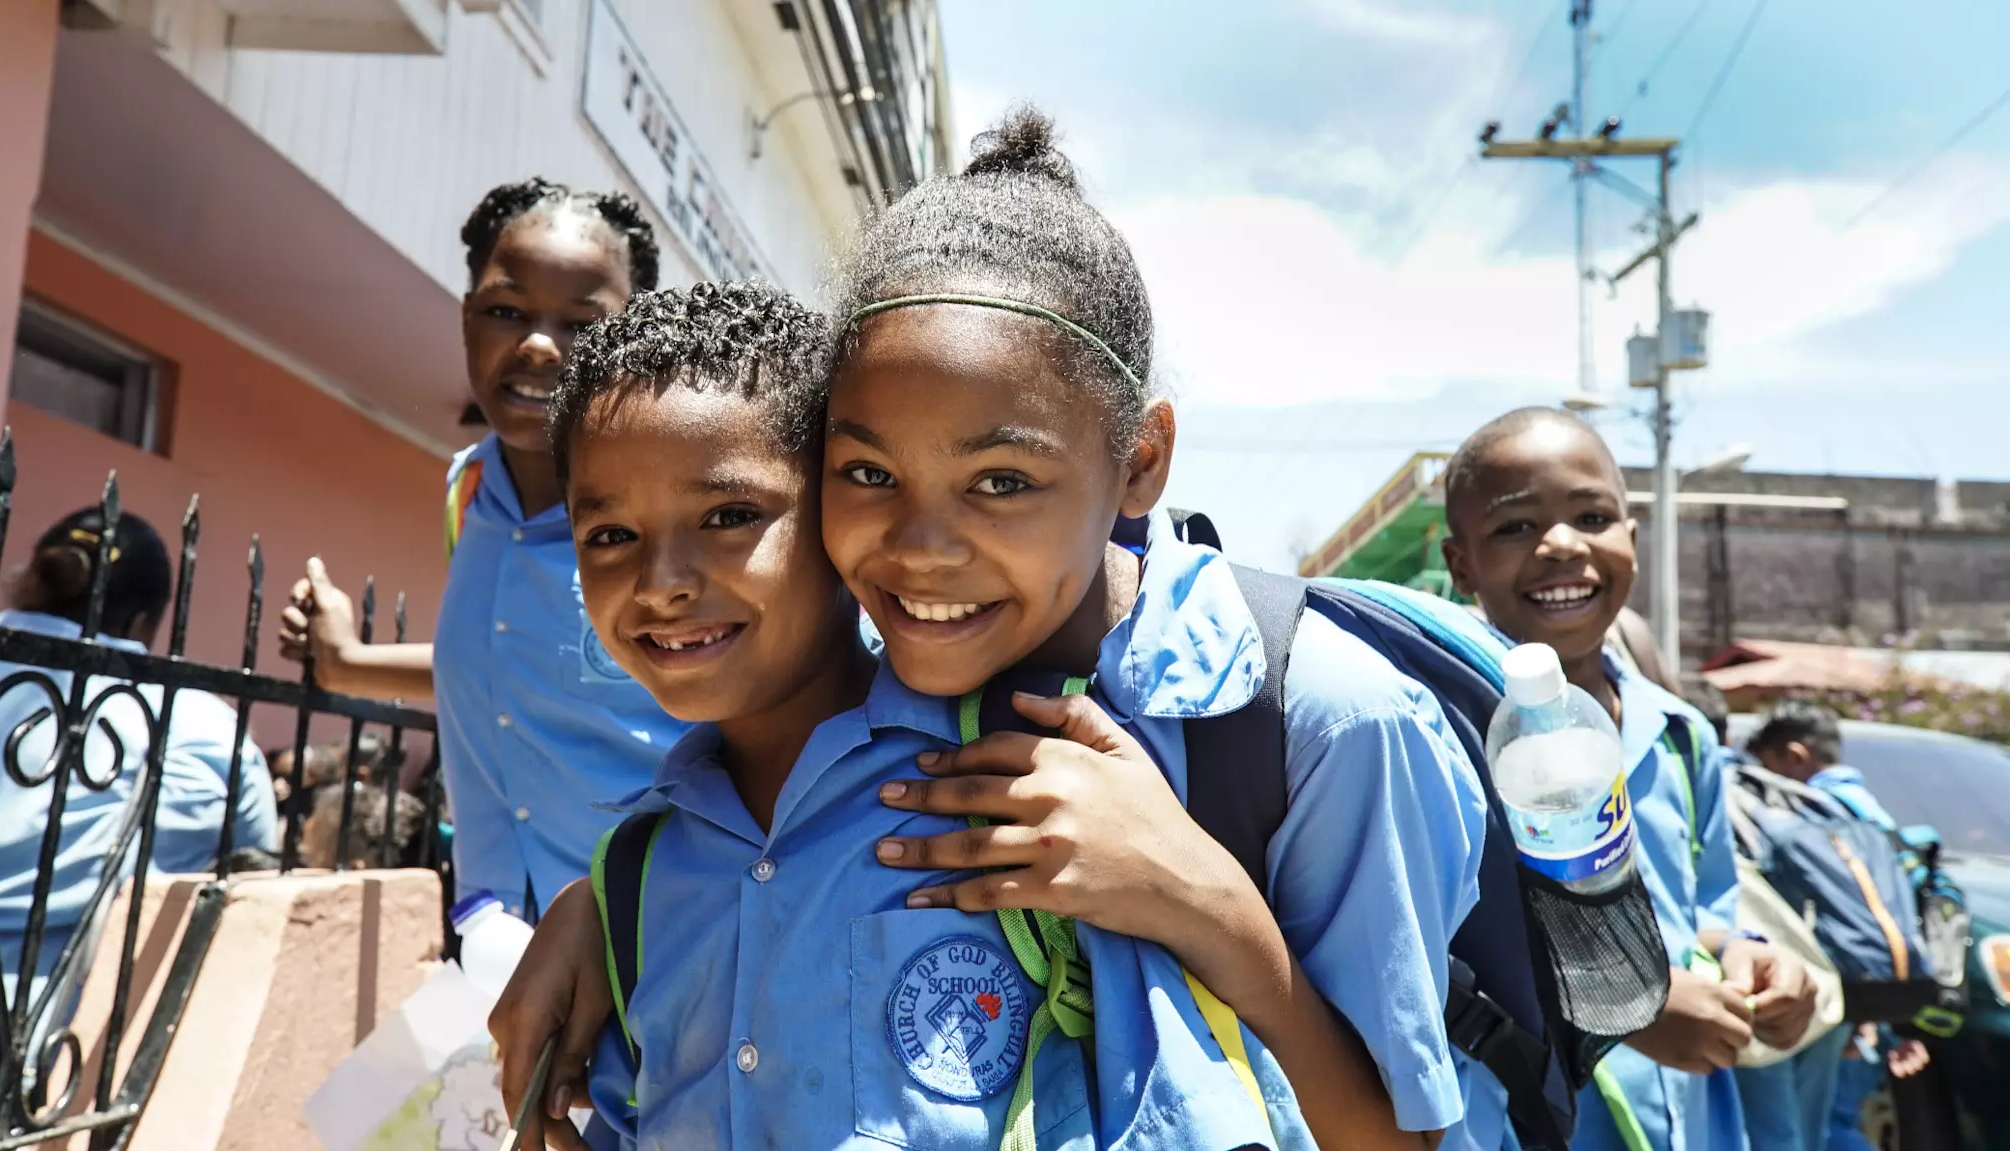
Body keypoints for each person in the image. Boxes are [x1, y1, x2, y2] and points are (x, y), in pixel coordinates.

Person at [498, 109, 1494, 1150]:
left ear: (1140, 459)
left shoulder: (1314, 719)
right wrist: (607, 901)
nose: (922, 548)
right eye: (869, 473)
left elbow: (1398, 1134)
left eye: (1001, 480)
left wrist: (1196, 895)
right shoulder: (914, 743)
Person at [280, 179, 685, 920]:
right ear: (467, 319)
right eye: (506, 311)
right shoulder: (468, 494)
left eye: (581, 322)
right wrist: (346, 662)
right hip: (495, 931)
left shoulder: (684, 515)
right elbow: (507, 676)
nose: (537, 344)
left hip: (658, 943)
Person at [1438, 407, 1817, 1151]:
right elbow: (1433, 954)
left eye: (1592, 515)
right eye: (1514, 527)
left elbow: (1703, 904)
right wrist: (1631, 1009)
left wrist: (1751, 957)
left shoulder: (1680, 734)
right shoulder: (1445, 737)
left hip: (1696, 1121)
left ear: (1632, 540)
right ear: (1461, 566)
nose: (1561, 544)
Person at [0, 507, 278, 1082]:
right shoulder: (197, 728)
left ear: (31, 581)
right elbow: (258, 874)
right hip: (36, 1061)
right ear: (142, 624)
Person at [1744, 701, 1931, 1151]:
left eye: (1770, 763)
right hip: (1872, 996)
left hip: (1824, 988)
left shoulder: (1796, 808)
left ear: (1794, 755)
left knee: (1812, 1128)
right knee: (1835, 1121)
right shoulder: (1871, 815)